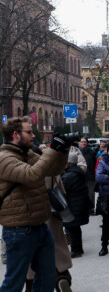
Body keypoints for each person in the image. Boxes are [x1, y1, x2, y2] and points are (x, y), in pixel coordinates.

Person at [0, 117, 71, 291]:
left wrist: (63, 150)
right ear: (16, 134)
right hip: (19, 230)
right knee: (14, 282)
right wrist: (52, 149)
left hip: (40, 226)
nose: (33, 135)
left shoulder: (27, 154)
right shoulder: (4, 159)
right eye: (29, 132)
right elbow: (32, 175)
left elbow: (53, 170)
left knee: (47, 278)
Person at [62, 150, 91, 258]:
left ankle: (76, 250)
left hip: (73, 205)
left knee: (72, 228)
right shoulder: (77, 172)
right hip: (78, 204)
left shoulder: (69, 175)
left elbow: (63, 189)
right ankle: (78, 249)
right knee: (75, 228)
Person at [78, 137, 96, 215]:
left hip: (90, 176)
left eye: (85, 142)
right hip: (79, 177)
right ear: (79, 143)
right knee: (80, 194)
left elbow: (95, 163)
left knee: (90, 194)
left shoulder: (91, 152)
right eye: (82, 142)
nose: (83, 143)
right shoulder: (76, 152)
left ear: (87, 143)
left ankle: (91, 209)